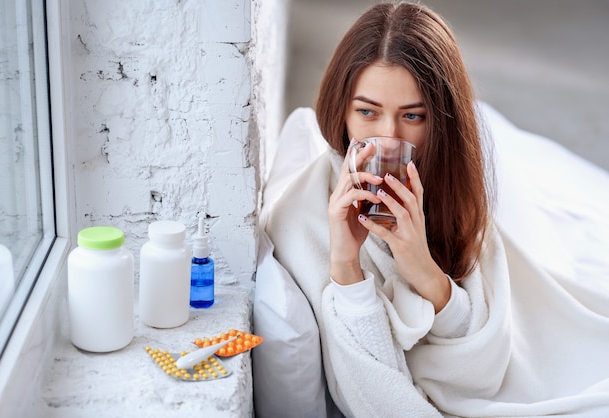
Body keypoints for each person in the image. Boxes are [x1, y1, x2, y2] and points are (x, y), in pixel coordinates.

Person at [259, 2, 609, 417]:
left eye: (412, 116)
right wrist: (346, 268)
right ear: (342, 109)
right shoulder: (305, 218)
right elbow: (372, 398)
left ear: (440, 121)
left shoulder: (446, 175)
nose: (388, 136)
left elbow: (486, 365)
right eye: (367, 111)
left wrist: (421, 267)